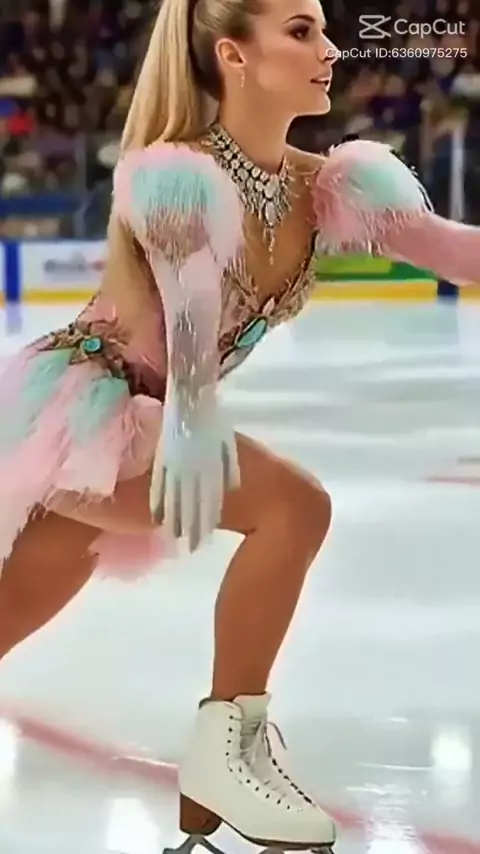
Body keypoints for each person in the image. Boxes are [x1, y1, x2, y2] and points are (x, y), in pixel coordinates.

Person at [1, 0, 480, 849]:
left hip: (147, 417)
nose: (330, 49)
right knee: (293, 506)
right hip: (92, 408)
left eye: (323, 29)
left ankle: (217, 776)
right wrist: (192, 418)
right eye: (300, 30)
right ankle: (228, 749)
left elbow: (451, 249)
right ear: (234, 54)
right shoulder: (174, 174)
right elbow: (190, 309)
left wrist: (188, 416)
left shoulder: (325, 187)